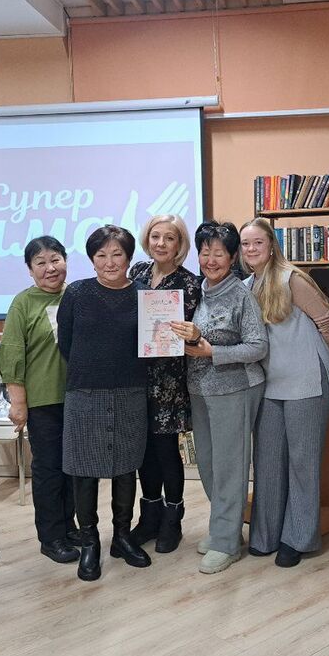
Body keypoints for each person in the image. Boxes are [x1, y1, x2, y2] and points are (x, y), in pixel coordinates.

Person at [239, 217, 329, 567]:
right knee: (267, 462)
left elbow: (327, 323)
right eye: (246, 244)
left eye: (258, 242)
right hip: (269, 385)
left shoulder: (292, 278)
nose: (251, 249)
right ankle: (265, 535)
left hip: (307, 381)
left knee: (302, 462)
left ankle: (297, 538)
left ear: (272, 245)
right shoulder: (246, 285)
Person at [170, 221, 267, 574]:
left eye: (219, 253)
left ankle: (226, 543)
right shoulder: (198, 291)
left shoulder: (241, 294)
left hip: (235, 387)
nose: (211, 260)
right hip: (200, 388)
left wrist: (213, 351)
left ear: (232, 256)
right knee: (209, 465)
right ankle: (225, 528)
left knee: (230, 467)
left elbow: (258, 346)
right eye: (205, 252)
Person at [58, 225, 150, 582]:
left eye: (117, 254)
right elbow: (66, 342)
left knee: (127, 468)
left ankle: (122, 537)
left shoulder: (144, 295)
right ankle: (90, 542)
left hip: (130, 390)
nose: (110, 262)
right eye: (101, 255)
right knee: (83, 470)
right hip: (85, 392)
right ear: (92, 259)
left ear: (129, 257)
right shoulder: (77, 293)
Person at [0, 236, 80, 564]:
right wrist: (18, 401)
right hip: (43, 400)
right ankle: (51, 537)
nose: (50, 268)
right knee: (49, 469)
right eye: (41, 262)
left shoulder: (77, 295)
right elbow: (12, 353)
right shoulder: (23, 303)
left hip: (78, 397)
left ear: (66, 260)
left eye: (55, 259)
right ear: (30, 269)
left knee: (74, 468)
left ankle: (70, 527)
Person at [127, 215, 200, 554]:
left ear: (179, 244)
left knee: (166, 450)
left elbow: (192, 330)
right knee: (144, 452)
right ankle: (149, 517)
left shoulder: (189, 282)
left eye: (169, 238)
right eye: (155, 236)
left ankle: (173, 520)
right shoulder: (137, 273)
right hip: (136, 375)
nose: (161, 243)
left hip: (169, 377)